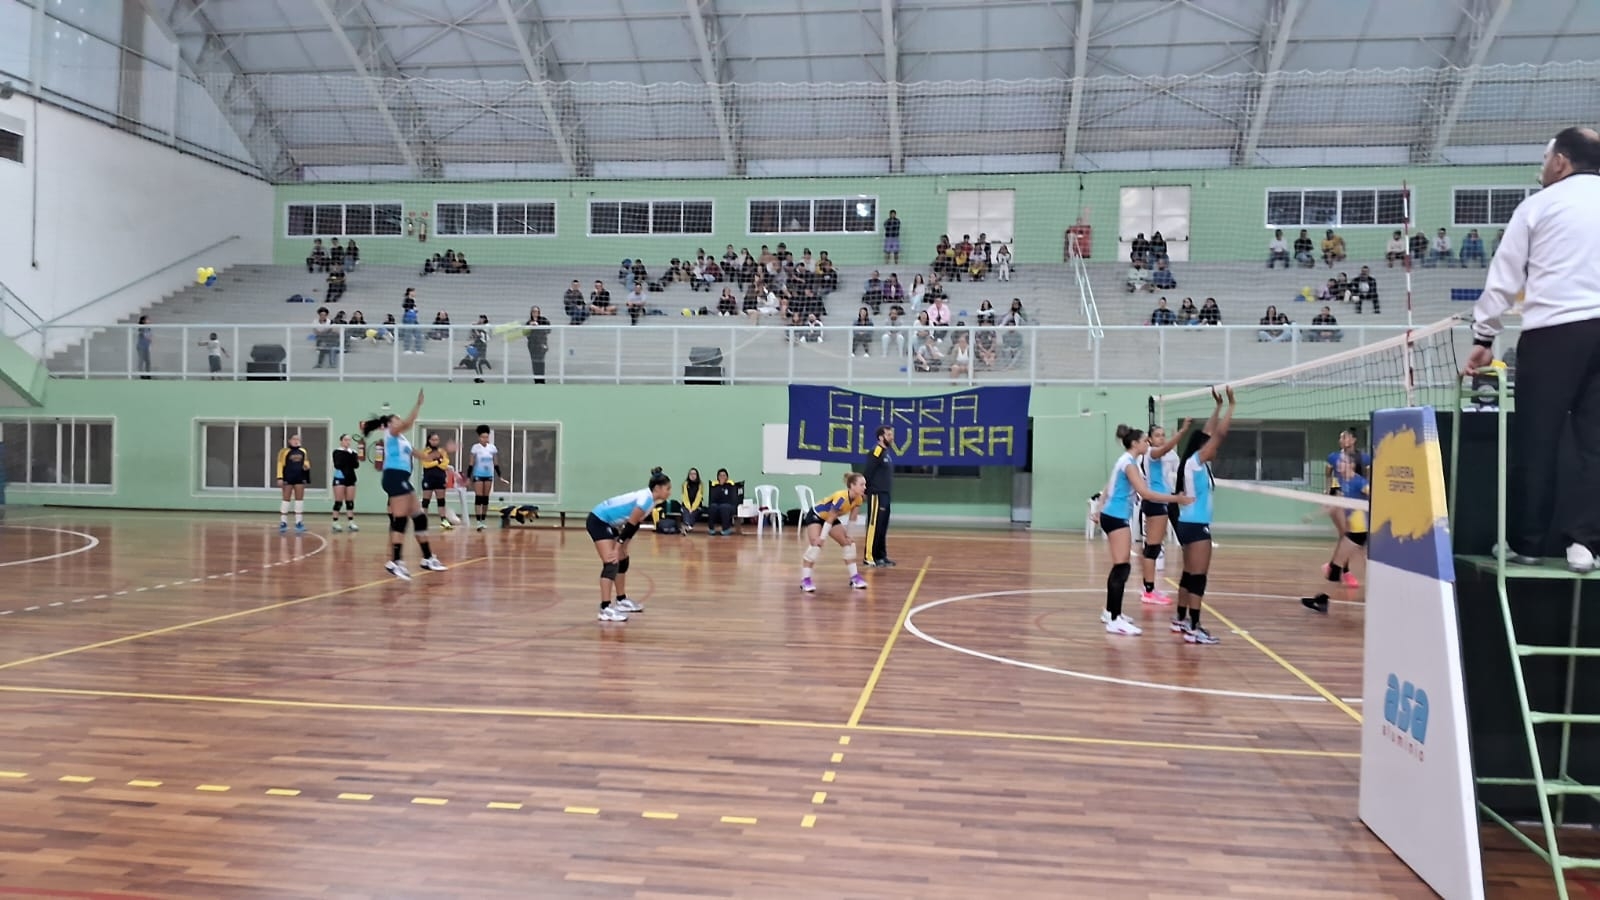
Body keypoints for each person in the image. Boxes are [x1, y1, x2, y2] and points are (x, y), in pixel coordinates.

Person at [1467, 126, 1600, 573]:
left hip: (1554, 333)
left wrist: (1484, 338)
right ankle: (1585, 546)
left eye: (1545, 160)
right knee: (1595, 443)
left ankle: (1526, 542)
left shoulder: (1539, 205)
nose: (1542, 168)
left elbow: (1504, 277)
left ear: (1560, 161)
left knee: (1537, 439)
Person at [1098, 425, 1193, 635]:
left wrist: (1098, 508)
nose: (1146, 443)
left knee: (1121, 566)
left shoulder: (1127, 461)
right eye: (1144, 440)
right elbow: (1146, 494)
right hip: (1115, 516)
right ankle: (1114, 619)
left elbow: (1111, 485)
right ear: (1135, 443)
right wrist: (1176, 498)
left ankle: (1111, 612)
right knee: (1121, 568)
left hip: (1115, 514)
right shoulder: (1129, 464)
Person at [360, 390, 447, 580]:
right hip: (393, 477)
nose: (400, 421)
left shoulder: (403, 441)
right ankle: (395, 562)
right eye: (397, 419)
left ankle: (427, 559)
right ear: (390, 424)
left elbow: (424, 456)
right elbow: (408, 423)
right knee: (400, 520)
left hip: (402, 479)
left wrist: (445, 451)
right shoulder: (391, 433)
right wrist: (418, 405)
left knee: (419, 517)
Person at [1171, 388, 1235, 644]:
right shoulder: (1197, 461)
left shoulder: (1194, 462)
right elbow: (1219, 435)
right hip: (1196, 525)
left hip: (1188, 522)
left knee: (1189, 573)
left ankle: (1180, 618)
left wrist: (1217, 408)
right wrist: (1232, 406)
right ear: (1202, 447)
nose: (1212, 447)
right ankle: (1194, 628)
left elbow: (1209, 433)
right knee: (1198, 577)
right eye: (1207, 445)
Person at [589, 471, 674, 622]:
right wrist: (616, 548)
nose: (669, 492)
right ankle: (605, 608)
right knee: (611, 563)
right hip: (598, 521)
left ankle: (621, 600)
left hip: (610, 523)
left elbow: (635, 525)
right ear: (657, 488)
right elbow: (629, 525)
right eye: (667, 488)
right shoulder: (645, 500)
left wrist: (623, 546)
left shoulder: (652, 501)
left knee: (623, 559)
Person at [1304, 456, 1371, 613]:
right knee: (1338, 566)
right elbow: (1334, 505)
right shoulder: (1341, 481)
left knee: (1343, 565)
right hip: (1353, 531)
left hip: (1360, 531)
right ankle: (1322, 600)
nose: (1339, 464)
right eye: (1339, 462)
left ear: (1352, 465)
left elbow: (1375, 498)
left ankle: (1322, 600)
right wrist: (1313, 516)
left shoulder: (1360, 482)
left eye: (1343, 462)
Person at [1138, 418, 1190, 606]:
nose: (1161, 439)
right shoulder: (1152, 453)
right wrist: (1182, 432)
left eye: (1163, 435)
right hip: (1155, 502)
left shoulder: (1158, 456)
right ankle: (1148, 591)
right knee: (1152, 548)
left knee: (1153, 548)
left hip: (1161, 501)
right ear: (1150, 440)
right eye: (1157, 436)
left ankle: (1149, 589)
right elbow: (1166, 449)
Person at [800, 472, 871, 594]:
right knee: (816, 545)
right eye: (862, 484)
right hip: (817, 516)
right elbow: (830, 518)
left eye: (865, 484)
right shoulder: (841, 497)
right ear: (852, 486)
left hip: (830, 519)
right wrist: (822, 538)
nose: (864, 487)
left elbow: (853, 518)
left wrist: (849, 536)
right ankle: (805, 580)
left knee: (849, 544)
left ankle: (854, 578)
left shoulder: (859, 498)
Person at [861, 425, 896, 567]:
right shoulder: (876, 452)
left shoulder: (886, 453)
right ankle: (869, 557)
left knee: (882, 526)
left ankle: (881, 556)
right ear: (881, 437)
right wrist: (864, 490)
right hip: (876, 494)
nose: (892, 437)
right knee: (874, 526)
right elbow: (868, 472)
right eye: (888, 434)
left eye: (891, 434)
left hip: (885, 495)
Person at [468, 425, 507, 530]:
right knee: (479, 498)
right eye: (483, 437)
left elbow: (496, 463)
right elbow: (471, 464)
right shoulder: (475, 448)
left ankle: (483, 519)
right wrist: (468, 477)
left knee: (485, 499)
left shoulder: (492, 448)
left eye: (486, 437)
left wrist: (500, 476)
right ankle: (478, 521)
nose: (485, 439)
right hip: (478, 475)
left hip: (488, 475)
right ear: (479, 438)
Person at [276, 433, 311, 534]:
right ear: (289, 441)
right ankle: (283, 522)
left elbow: (306, 462)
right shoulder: (284, 451)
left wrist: (307, 466)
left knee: (299, 499)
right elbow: (280, 464)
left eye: (298, 439)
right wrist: (279, 477)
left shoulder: (303, 451)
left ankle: (299, 522)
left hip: (299, 478)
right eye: (294, 439)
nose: (296, 441)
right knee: (286, 499)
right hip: (288, 478)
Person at [418, 433, 453, 531]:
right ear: (429, 440)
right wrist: (437, 462)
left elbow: (445, 464)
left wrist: (436, 462)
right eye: (433, 439)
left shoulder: (442, 451)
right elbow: (426, 464)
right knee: (426, 501)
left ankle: (443, 520)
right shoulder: (425, 451)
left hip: (440, 478)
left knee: (441, 501)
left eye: (437, 439)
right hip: (428, 478)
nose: (435, 441)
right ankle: (423, 521)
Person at [330, 434, 361, 533]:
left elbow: (356, 465)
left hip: (351, 478)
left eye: (349, 440)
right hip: (340, 477)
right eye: (345, 440)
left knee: (350, 501)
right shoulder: (337, 452)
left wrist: (351, 455)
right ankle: (335, 522)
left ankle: (351, 522)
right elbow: (338, 464)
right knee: (338, 501)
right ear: (341, 441)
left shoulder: (353, 453)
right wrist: (348, 457)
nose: (347, 442)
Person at [706, 468, 739, 536]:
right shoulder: (715, 486)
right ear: (718, 477)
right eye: (720, 475)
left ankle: (726, 529)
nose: (722, 477)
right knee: (712, 506)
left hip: (729, 506)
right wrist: (720, 486)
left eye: (724, 475)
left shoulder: (731, 485)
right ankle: (711, 528)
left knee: (724, 507)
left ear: (727, 477)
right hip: (718, 505)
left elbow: (732, 499)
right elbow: (713, 498)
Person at [525, 306, 551, 383]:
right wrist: (530, 326)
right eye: (533, 311)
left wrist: (539, 326)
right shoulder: (529, 322)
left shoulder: (543, 320)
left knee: (541, 362)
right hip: (532, 345)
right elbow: (525, 333)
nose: (535, 313)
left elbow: (549, 329)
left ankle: (542, 380)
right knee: (534, 362)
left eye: (536, 311)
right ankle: (536, 380)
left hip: (541, 344)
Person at [679, 467, 704, 533]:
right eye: (691, 474)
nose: (692, 475)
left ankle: (687, 526)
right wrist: (689, 508)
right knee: (685, 511)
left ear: (697, 475)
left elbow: (698, 498)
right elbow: (685, 497)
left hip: (697, 506)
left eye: (694, 474)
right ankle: (688, 525)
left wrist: (692, 509)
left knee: (694, 512)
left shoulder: (700, 485)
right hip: (686, 505)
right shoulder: (685, 484)